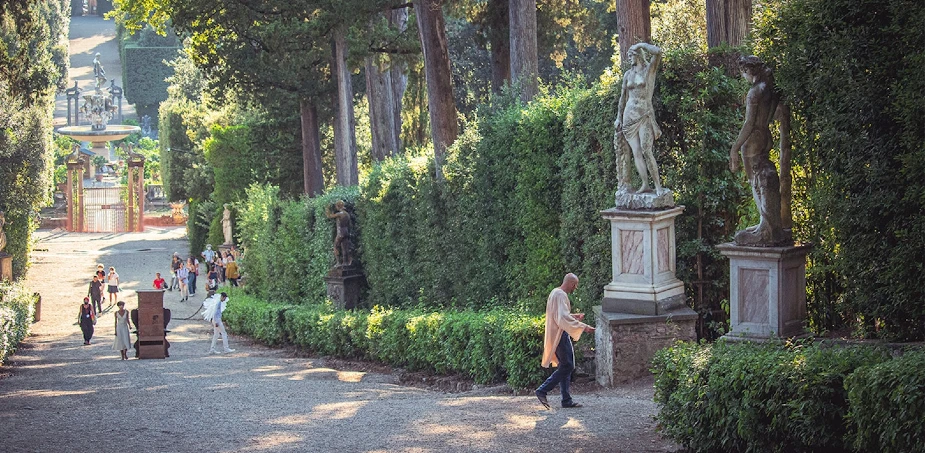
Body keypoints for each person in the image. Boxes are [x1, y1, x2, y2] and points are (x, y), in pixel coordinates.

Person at [729, 55, 789, 246]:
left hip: (753, 140)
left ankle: (765, 227)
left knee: (754, 180)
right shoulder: (770, 89)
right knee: (762, 176)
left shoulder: (754, 92)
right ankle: (768, 224)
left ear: (747, 71)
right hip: (765, 136)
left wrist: (735, 148)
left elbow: (748, 124)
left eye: (743, 72)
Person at [535, 273, 595, 409]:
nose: (575, 288)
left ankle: (566, 399)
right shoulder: (561, 295)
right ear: (570, 283)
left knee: (565, 365)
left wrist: (573, 317)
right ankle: (543, 390)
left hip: (557, 333)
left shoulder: (555, 292)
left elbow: (558, 315)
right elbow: (562, 318)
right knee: (568, 365)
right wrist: (584, 327)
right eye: (575, 285)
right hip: (560, 334)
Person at [614, 42, 664, 194]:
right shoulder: (628, 74)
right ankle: (645, 184)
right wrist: (618, 118)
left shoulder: (649, 70)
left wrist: (640, 44)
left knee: (646, 150)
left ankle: (658, 186)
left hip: (644, 114)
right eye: (628, 56)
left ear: (638, 55)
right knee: (636, 151)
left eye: (631, 55)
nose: (629, 58)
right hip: (628, 115)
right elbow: (622, 98)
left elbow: (658, 52)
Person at [325, 200, 354, 266]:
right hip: (346, 231)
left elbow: (329, 216)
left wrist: (327, 208)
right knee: (344, 248)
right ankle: (345, 262)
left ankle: (338, 262)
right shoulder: (347, 214)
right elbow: (349, 225)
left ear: (338, 206)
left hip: (340, 232)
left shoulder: (340, 214)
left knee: (336, 247)